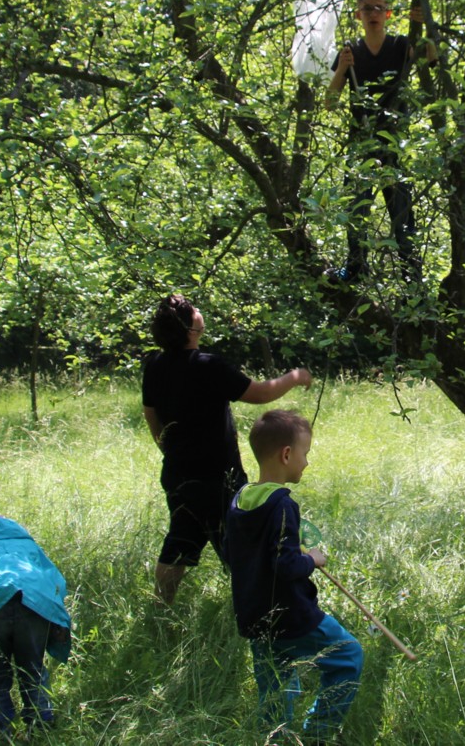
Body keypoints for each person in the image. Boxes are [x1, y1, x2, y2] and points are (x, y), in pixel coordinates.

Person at [142, 293, 313, 606]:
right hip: (219, 474)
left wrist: (166, 446)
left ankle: (162, 604)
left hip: (178, 473)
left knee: (180, 539)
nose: (199, 311)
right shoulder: (208, 366)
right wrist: (295, 376)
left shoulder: (155, 365)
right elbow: (259, 394)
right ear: (190, 328)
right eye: (194, 310)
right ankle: (260, 603)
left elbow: (150, 412)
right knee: (239, 541)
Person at [226, 409, 362, 746]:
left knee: (275, 686)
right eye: (305, 454)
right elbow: (286, 567)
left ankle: (279, 740)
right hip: (292, 615)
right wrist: (312, 559)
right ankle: (317, 734)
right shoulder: (282, 505)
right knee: (349, 656)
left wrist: (289, 552)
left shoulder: (240, 501)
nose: (306, 463)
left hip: (255, 617)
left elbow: (237, 553)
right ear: (287, 454)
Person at [323, 0, 437, 282]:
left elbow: (431, 60)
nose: (372, 13)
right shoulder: (350, 52)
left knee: (401, 213)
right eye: (366, 8)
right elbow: (329, 104)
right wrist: (341, 70)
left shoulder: (402, 45)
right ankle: (356, 269)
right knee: (356, 210)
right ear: (357, 14)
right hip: (361, 144)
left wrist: (423, 26)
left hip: (394, 143)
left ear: (387, 13)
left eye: (378, 8)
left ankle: (412, 280)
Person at [0, 514, 72, 738]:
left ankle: (0, 731)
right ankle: (41, 727)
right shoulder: (29, 545)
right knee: (33, 670)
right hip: (34, 604)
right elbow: (56, 582)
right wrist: (58, 619)